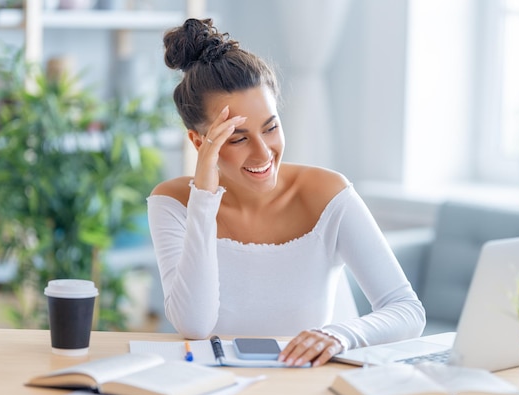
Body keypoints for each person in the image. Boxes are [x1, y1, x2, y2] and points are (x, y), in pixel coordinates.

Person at [147, 18, 425, 367]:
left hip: (309, 390)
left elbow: (407, 310)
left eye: (271, 127)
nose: (264, 153)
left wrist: (340, 334)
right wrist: (204, 196)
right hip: (214, 390)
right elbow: (195, 325)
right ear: (200, 142)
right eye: (237, 138)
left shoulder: (327, 194)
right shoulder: (172, 203)